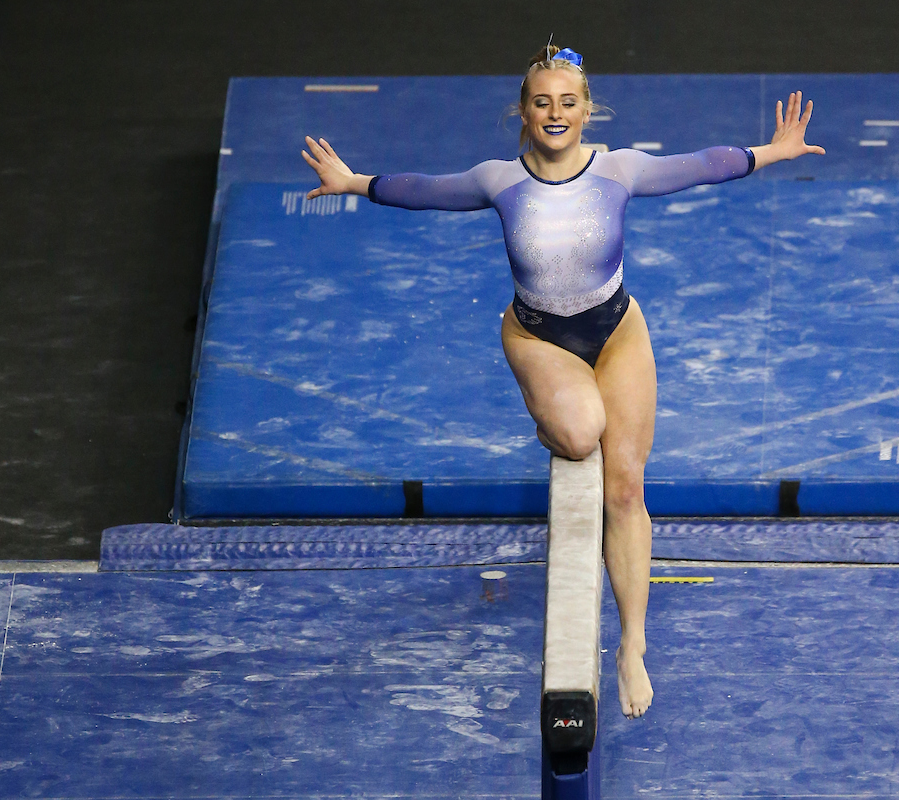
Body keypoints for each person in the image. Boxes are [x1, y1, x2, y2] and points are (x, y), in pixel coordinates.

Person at [302, 44, 824, 720]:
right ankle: (547, 410)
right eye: (542, 103)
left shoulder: (619, 171)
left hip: (617, 332)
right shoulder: (499, 180)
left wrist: (773, 152)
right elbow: (425, 190)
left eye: (567, 103)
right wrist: (353, 182)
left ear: (586, 112)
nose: (555, 114)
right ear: (523, 112)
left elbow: (702, 165)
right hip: (538, 336)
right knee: (579, 435)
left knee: (626, 484)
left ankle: (632, 642)